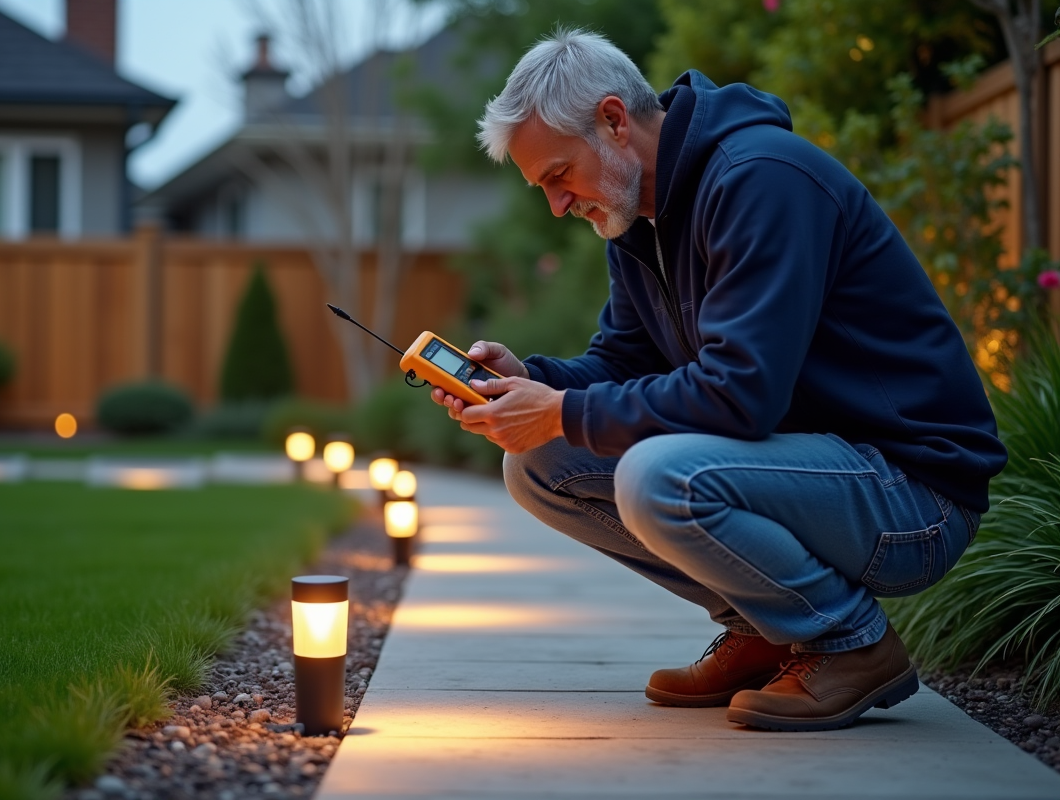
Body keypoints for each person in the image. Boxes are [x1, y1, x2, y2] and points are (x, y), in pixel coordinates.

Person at [430, 28, 1007, 732]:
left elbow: (741, 395)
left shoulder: (761, 179)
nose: (557, 204)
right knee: (538, 463)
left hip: (911, 495)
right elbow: (624, 361)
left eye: (559, 175)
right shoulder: (635, 219)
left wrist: (560, 410)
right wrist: (532, 384)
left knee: (658, 478)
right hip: (812, 469)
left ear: (613, 121)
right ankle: (766, 628)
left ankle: (849, 642)